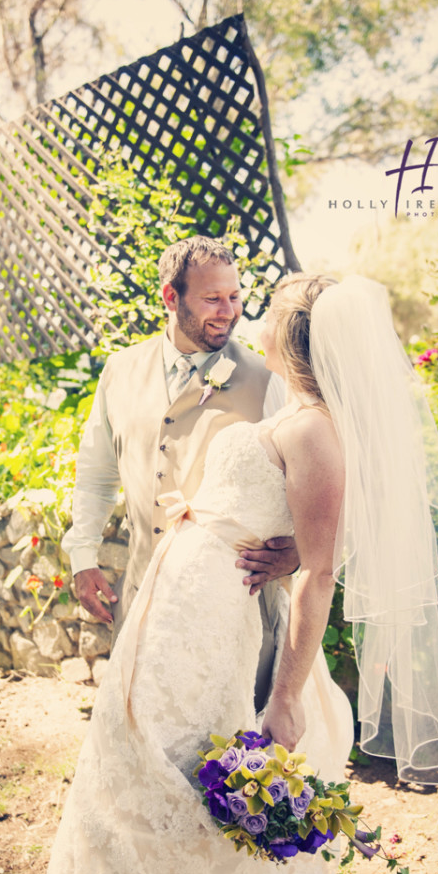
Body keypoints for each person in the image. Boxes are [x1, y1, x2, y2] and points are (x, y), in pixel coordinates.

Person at [12, 272, 438, 874]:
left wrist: (286, 694)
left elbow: (321, 569)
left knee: (153, 784)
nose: (244, 315)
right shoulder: (297, 413)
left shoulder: (315, 428)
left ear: (294, 339)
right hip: (177, 613)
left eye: (265, 309)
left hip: (214, 626)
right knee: (136, 778)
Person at [61, 234, 300, 704]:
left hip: (236, 611)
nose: (228, 311)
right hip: (144, 600)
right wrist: (83, 557)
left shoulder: (269, 379)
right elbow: (96, 473)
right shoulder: (119, 371)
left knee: (229, 762)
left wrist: (298, 554)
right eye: (212, 298)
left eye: (235, 296)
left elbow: (310, 484)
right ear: (171, 297)